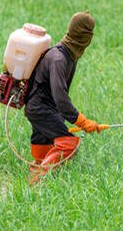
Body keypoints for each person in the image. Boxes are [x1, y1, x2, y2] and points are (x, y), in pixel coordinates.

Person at [24, 11, 101, 184]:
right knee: (68, 143)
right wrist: (82, 121)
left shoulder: (70, 56)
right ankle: (37, 180)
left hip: (43, 108)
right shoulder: (59, 58)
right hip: (40, 108)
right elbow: (61, 98)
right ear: (85, 37)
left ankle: (34, 182)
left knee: (45, 146)